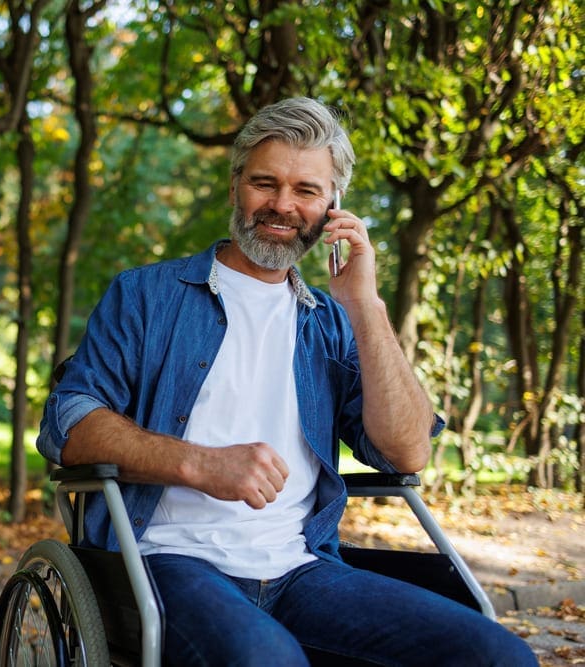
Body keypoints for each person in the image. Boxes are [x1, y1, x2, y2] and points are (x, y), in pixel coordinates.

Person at [37, 97, 536, 666]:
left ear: (333, 207)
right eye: (264, 183)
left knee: (497, 655)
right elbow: (69, 419)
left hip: (302, 569)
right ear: (235, 188)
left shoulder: (331, 325)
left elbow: (406, 449)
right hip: (166, 561)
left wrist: (365, 306)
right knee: (267, 660)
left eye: (306, 190)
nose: (281, 205)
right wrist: (201, 464)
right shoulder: (146, 296)